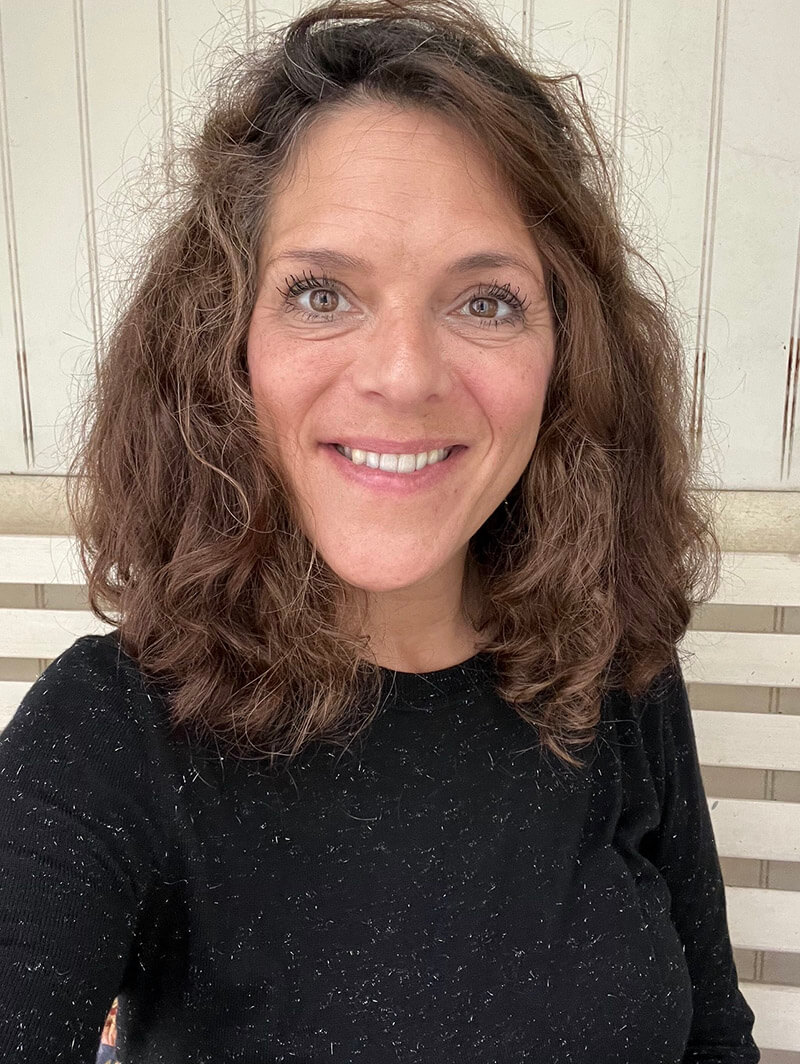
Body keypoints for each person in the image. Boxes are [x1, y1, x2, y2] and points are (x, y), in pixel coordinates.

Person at [0, 0, 760, 1060]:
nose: (403, 376)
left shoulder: (615, 670)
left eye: (485, 301)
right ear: (225, 342)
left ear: (567, 355)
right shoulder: (113, 733)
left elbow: (713, 1038)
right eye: (320, 293)